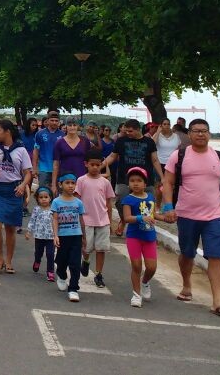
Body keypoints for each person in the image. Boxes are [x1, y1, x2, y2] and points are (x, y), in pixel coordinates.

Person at [159, 118, 220, 318]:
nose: (201, 134)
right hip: (187, 214)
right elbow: (167, 183)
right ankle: (186, 284)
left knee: (216, 256)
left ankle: (218, 302)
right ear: (189, 134)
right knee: (187, 253)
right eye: (196, 131)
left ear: (210, 134)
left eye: (204, 131)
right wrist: (168, 207)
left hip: (214, 216)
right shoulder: (180, 155)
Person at [0, 119, 33, 274]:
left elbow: (28, 173)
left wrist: (22, 185)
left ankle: (9, 260)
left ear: (8, 132)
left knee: (11, 228)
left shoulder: (21, 150)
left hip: (14, 190)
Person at [101, 119, 163, 235]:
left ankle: (146, 229)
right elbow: (112, 157)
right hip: (124, 179)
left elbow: (155, 160)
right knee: (120, 202)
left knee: (149, 204)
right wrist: (100, 167)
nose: (127, 133)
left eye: (130, 131)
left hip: (146, 179)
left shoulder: (149, 142)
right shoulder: (121, 141)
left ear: (138, 129)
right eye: (126, 131)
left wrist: (162, 177)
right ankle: (124, 219)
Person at [75, 150, 115, 288]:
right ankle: (85, 261)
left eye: (98, 165)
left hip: (102, 220)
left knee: (101, 249)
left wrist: (109, 222)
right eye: (92, 164)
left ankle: (98, 274)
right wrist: (76, 219)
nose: (95, 167)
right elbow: (77, 201)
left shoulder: (105, 182)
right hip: (86, 220)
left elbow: (108, 203)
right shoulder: (81, 181)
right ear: (86, 164)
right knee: (86, 248)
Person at [122, 167, 157, 308]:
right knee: (136, 266)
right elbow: (127, 218)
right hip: (134, 237)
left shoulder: (151, 197)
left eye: (139, 180)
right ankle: (136, 295)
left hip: (149, 237)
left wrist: (165, 217)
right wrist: (141, 217)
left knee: (152, 267)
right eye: (132, 181)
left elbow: (153, 215)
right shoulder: (128, 199)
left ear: (145, 183)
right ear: (128, 183)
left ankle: (145, 282)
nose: (135, 183)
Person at [52, 172, 86, 302]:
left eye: (73, 183)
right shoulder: (56, 202)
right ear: (61, 185)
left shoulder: (78, 203)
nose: (71, 186)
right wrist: (55, 235)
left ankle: (73, 289)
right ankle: (61, 274)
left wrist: (84, 237)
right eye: (67, 183)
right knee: (61, 260)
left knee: (75, 263)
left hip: (76, 235)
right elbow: (55, 219)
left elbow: (82, 221)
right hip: (62, 236)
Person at [25, 186, 55, 282]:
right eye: (41, 197)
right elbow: (32, 220)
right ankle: (37, 261)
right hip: (39, 236)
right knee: (39, 253)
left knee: (50, 254)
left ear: (50, 198)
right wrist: (29, 231)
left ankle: (50, 272)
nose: (43, 199)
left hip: (51, 237)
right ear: (37, 199)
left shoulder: (54, 209)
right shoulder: (36, 209)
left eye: (46, 197)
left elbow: (57, 222)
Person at [52, 118, 89, 193]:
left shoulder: (85, 141)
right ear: (66, 126)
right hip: (65, 178)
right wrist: (53, 184)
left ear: (77, 126)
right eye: (70, 125)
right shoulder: (59, 143)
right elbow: (56, 164)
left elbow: (89, 161)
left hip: (81, 178)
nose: (72, 127)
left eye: (74, 125)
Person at [33, 113, 63, 197]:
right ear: (48, 121)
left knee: (55, 194)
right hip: (43, 169)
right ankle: (43, 210)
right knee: (43, 193)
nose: (54, 122)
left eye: (56, 121)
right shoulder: (40, 134)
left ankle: (54, 210)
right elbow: (36, 151)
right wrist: (34, 168)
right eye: (52, 120)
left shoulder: (62, 135)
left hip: (58, 169)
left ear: (59, 122)